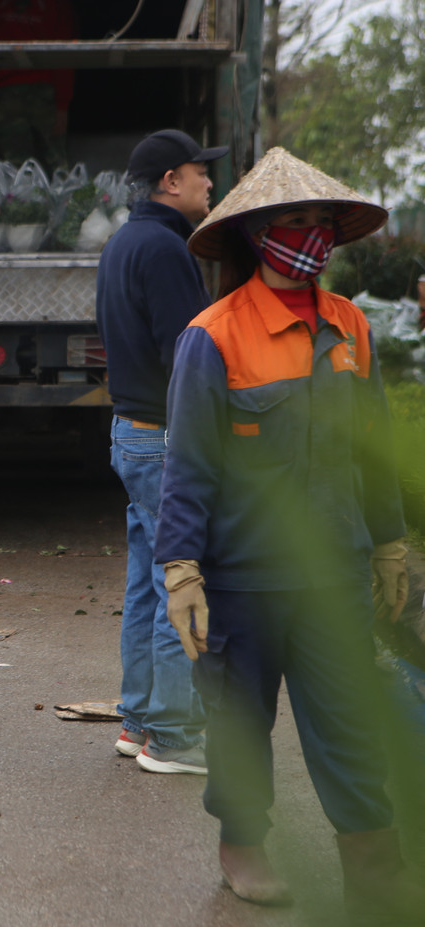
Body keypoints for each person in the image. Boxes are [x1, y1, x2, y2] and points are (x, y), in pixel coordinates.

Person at [156, 147, 424, 919]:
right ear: (260, 234)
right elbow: (189, 467)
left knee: (349, 722)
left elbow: (370, 449)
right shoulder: (214, 337)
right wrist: (181, 568)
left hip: (334, 573)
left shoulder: (350, 328)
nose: (310, 235)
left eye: (320, 221)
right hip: (241, 578)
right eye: (293, 221)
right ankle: (242, 844)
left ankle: (373, 865)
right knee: (242, 723)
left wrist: (388, 539)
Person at [95, 128, 226, 775]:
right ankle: (172, 736)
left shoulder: (124, 241)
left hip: (131, 429)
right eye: (201, 172)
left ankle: (138, 719)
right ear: (170, 181)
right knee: (182, 578)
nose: (210, 181)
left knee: (148, 583)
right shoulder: (168, 248)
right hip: (165, 435)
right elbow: (188, 354)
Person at [0, 0, 75, 172]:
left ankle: (23, 197)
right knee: (57, 166)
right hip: (36, 90)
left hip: (10, 91)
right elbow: (64, 48)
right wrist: (62, 105)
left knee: (17, 168)